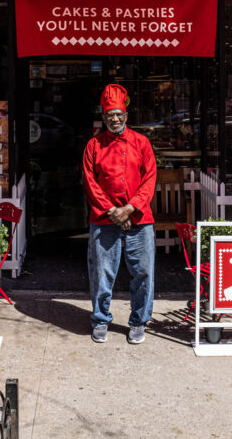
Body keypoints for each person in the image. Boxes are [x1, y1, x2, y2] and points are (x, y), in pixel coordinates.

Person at [82, 83, 157, 344]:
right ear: (103, 117)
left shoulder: (142, 143)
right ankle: (101, 319)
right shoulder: (93, 145)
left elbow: (149, 180)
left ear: (126, 115)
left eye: (118, 114)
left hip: (138, 217)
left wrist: (129, 208)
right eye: (109, 115)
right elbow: (90, 183)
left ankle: (138, 320)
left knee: (143, 272)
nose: (114, 119)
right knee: (102, 273)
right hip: (105, 219)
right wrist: (113, 211)